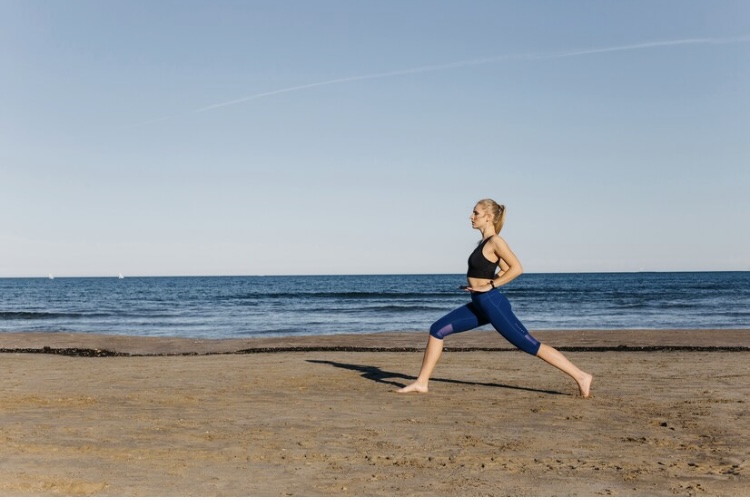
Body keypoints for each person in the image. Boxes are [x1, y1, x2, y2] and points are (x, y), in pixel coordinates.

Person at [397, 199, 592, 398]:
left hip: (492, 303)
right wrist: (481, 285)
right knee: (437, 330)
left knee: (530, 344)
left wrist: (489, 285)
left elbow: (517, 268)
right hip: (480, 303)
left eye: (476, 213)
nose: (471, 217)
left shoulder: (496, 241)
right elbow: (504, 269)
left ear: (489, 217)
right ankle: (422, 382)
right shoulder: (483, 243)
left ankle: (581, 376)